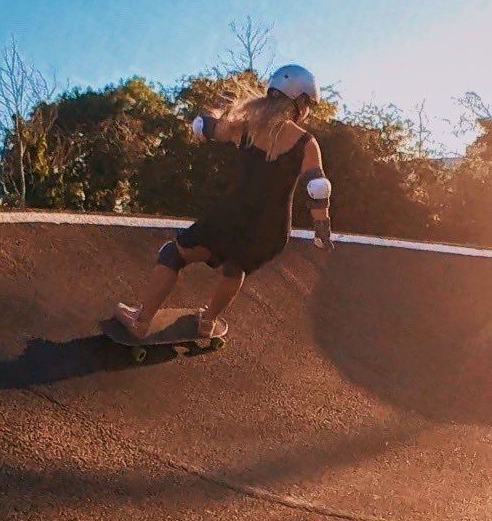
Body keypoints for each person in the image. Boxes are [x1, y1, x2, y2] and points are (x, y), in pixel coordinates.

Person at [115, 63, 334, 339]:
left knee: (174, 253)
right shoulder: (306, 142)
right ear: (300, 101)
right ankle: (207, 321)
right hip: (270, 230)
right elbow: (317, 187)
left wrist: (218, 106)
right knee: (234, 267)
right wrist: (322, 229)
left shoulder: (246, 126)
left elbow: (202, 128)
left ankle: (141, 320)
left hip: (229, 216)